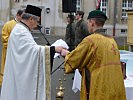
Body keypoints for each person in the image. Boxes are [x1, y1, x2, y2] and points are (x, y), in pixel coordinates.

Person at [0, 5, 64, 100]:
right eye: (37, 21)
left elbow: (31, 49)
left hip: (19, 72)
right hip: (19, 74)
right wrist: (54, 49)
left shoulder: (22, 29)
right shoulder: (20, 32)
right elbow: (32, 52)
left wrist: (49, 49)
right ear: (30, 19)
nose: (37, 24)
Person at [61, 10, 126, 100]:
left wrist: (65, 53)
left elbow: (74, 59)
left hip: (99, 88)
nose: (87, 25)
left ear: (92, 23)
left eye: (88, 22)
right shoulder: (112, 40)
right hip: (114, 87)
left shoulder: (90, 40)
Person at [0, 9, 24, 87]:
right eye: (22, 16)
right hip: (9, 52)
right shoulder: (8, 24)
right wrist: (15, 44)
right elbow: (4, 38)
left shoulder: (23, 26)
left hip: (20, 53)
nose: (23, 18)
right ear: (17, 15)